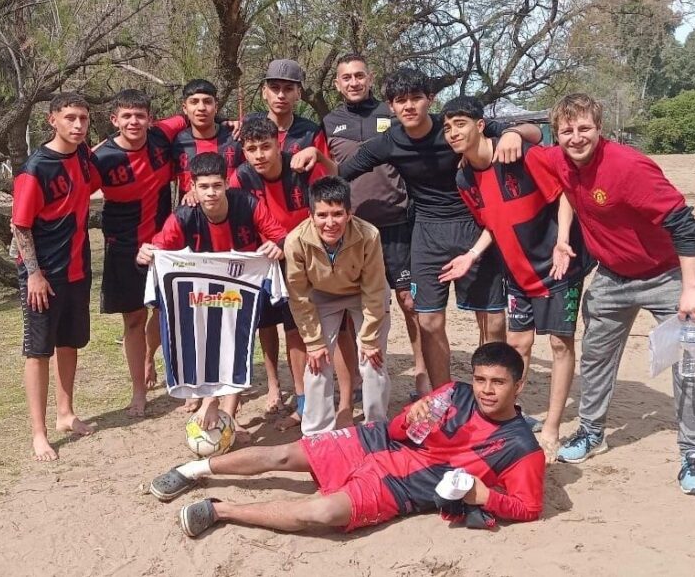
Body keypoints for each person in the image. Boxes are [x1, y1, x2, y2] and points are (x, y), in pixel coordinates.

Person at [496, 93, 695, 495]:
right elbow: (534, 142)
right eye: (567, 131)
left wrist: (691, 290)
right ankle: (592, 431)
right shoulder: (557, 159)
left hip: (664, 275)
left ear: (600, 129)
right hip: (612, 276)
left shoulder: (629, 166)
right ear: (556, 133)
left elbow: (685, 223)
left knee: (687, 364)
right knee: (595, 355)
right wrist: (512, 130)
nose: (576, 138)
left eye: (584, 129)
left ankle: (693, 451)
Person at [147, 342, 544, 537]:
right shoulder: (454, 393)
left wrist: (483, 496)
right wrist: (409, 418)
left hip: (402, 486)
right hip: (377, 443)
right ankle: (193, 469)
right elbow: (393, 432)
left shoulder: (521, 447)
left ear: (519, 385)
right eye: (481, 379)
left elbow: (528, 507)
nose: (487, 390)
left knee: (320, 514)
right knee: (285, 456)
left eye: (498, 382)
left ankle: (220, 510)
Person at [303, 68, 541, 389]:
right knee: (428, 319)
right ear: (391, 106)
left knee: (492, 319)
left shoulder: (454, 127)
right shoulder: (388, 143)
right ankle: (441, 397)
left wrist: (513, 134)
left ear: (430, 99)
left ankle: (490, 396)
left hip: (473, 225)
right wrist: (317, 154)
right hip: (426, 231)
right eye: (401, 100)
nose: (409, 106)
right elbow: (340, 174)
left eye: (416, 98)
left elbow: (533, 132)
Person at [441, 95, 595, 460]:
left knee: (560, 345)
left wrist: (561, 241)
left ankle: (553, 428)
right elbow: (493, 224)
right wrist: (471, 256)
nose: (453, 133)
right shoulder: (464, 177)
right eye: (447, 128)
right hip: (517, 270)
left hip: (558, 266)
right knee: (517, 345)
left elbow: (564, 195)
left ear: (480, 125)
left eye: (460, 124)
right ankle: (512, 418)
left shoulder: (520, 155)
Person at [137, 152, 287, 440]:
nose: (211, 193)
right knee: (208, 342)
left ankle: (228, 415)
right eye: (203, 187)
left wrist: (276, 246)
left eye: (217, 186)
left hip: (243, 286)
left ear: (226, 184)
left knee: (236, 342)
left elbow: (279, 236)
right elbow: (158, 249)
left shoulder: (249, 205)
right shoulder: (184, 215)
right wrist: (145, 254)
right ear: (192, 187)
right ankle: (212, 403)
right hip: (203, 292)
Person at [322, 54, 427, 396]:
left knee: (409, 302)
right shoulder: (328, 122)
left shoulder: (392, 113)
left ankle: (422, 373)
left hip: (397, 224)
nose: (353, 82)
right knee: (352, 308)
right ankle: (352, 382)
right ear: (337, 84)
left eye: (359, 75)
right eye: (346, 78)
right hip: (352, 233)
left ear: (370, 78)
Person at [10, 92, 100, 460]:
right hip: (44, 275)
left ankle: (66, 414)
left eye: (83, 118)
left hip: (77, 269)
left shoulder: (82, 155)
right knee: (38, 351)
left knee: (69, 344)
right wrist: (34, 274)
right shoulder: (36, 169)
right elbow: (20, 226)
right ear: (52, 120)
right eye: (70, 118)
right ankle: (39, 432)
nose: (77, 125)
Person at [91, 89, 190, 417]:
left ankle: (159, 364)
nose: (134, 121)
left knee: (167, 313)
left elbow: (196, 113)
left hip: (167, 244)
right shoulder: (101, 159)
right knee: (133, 319)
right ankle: (138, 392)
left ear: (150, 118)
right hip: (125, 249)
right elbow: (71, 188)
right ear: (114, 120)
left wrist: (232, 122)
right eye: (127, 116)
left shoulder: (162, 135)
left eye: (140, 115)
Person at [230, 117, 329, 417]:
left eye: (265, 147)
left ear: (278, 145)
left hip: (301, 257)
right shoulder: (241, 177)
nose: (259, 155)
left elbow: (324, 214)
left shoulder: (301, 169)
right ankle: (274, 386)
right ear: (243, 152)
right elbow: (226, 208)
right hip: (263, 259)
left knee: (296, 329)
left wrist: (287, 244)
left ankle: (304, 398)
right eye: (251, 149)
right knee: (265, 324)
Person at [283, 177, 392, 434]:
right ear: (311, 216)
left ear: (350, 213)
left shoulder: (369, 235)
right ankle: (317, 432)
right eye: (322, 215)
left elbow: (375, 289)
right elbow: (299, 296)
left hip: (363, 294)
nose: (330, 223)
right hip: (321, 295)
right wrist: (313, 341)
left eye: (337, 214)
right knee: (317, 361)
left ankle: (376, 427)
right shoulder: (295, 241)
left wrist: (369, 337)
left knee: (372, 358)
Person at [171, 79, 245, 202]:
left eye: (207, 102)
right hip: (191, 217)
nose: (201, 108)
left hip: (233, 215)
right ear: (185, 108)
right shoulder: (177, 142)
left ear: (216, 106)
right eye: (194, 102)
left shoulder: (235, 136)